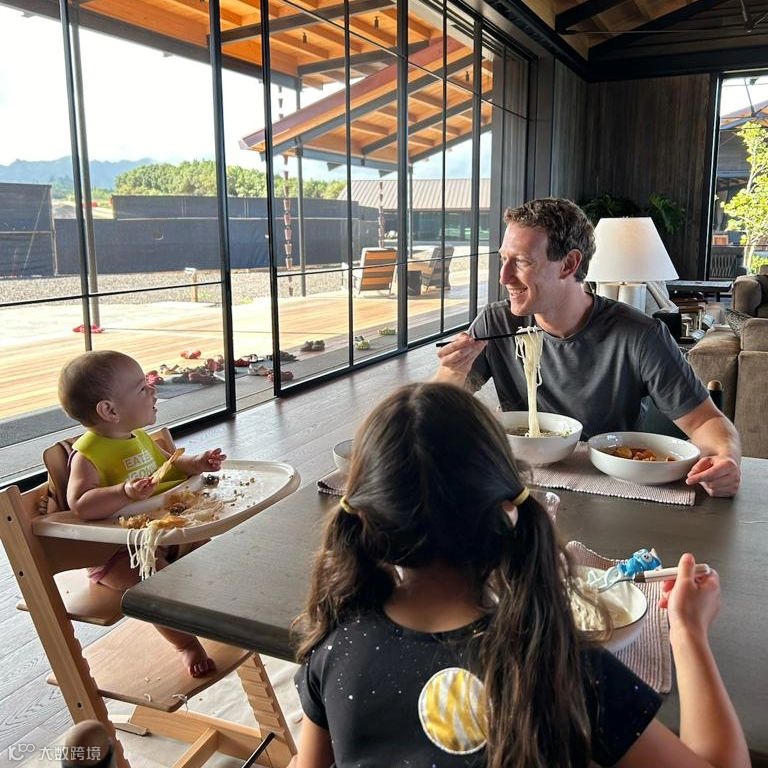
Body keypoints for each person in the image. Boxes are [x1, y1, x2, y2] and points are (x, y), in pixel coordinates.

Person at [291, 383, 748, 768]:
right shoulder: (563, 665)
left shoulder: (333, 647)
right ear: (509, 512)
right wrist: (688, 632)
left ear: (363, 518)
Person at [435, 197, 741, 497]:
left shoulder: (640, 335)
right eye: (503, 259)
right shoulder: (497, 323)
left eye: (522, 261)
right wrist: (452, 371)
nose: (504, 277)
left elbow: (706, 420)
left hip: (613, 487)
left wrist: (725, 461)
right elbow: (435, 413)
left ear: (569, 264)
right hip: (520, 486)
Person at [58, 350, 226, 677]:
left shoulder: (139, 437)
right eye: (141, 388)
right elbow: (81, 503)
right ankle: (186, 644)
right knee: (156, 582)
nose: (153, 389)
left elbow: (170, 466)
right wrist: (123, 492)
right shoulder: (88, 454)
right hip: (120, 552)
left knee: (212, 550)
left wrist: (197, 463)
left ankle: (216, 613)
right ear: (109, 410)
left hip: (161, 532)